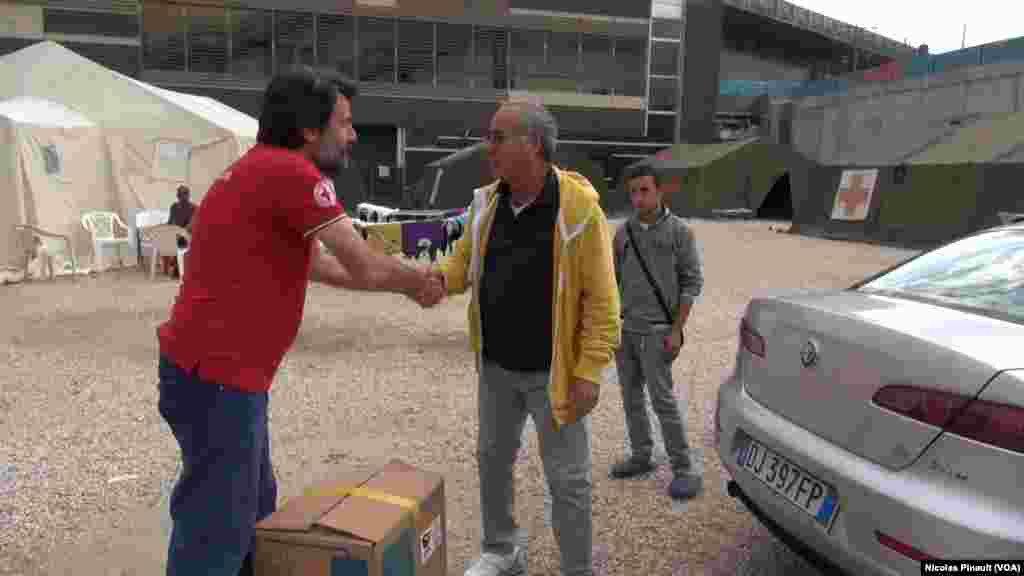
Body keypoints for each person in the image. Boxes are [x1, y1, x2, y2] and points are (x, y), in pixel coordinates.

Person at [155, 67, 443, 576]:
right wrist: (417, 281)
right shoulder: (293, 174)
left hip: (214, 375)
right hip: (219, 379)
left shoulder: (259, 170)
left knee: (251, 509)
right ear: (310, 129)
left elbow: (323, 267)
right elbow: (363, 263)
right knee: (216, 529)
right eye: (345, 123)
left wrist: (403, 283)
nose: (354, 136)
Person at [433, 101, 621, 576]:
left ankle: (577, 569)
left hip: (555, 373)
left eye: (498, 137)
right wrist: (429, 281)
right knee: (492, 460)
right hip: (496, 367)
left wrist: (590, 371)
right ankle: (502, 550)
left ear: (533, 144)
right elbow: (460, 265)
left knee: (569, 480)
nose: (488, 147)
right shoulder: (485, 204)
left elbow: (603, 300)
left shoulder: (580, 210)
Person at [609, 163, 705, 501]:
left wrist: (677, 330)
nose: (638, 198)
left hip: (658, 331)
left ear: (660, 191)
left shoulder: (680, 233)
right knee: (631, 397)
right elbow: (612, 282)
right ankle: (641, 455)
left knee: (663, 400)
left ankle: (684, 468)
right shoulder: (622, 234)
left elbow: (692, 283)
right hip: (627, 331)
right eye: (633, 192)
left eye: (645, 190)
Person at [164, 185, 197, 277]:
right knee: (166, 238)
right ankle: (173, 266)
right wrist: (165, 229)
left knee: (181, 240)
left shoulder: (194, 208)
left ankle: (176, 265)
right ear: (177, 196)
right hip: (177, 234)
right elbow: (170, 222)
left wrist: (180, 232)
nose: (182, 197)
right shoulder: (174, 207)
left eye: (184, 194)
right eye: (180, 194)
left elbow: (191, 226)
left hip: (188, 235)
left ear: (188, 195)